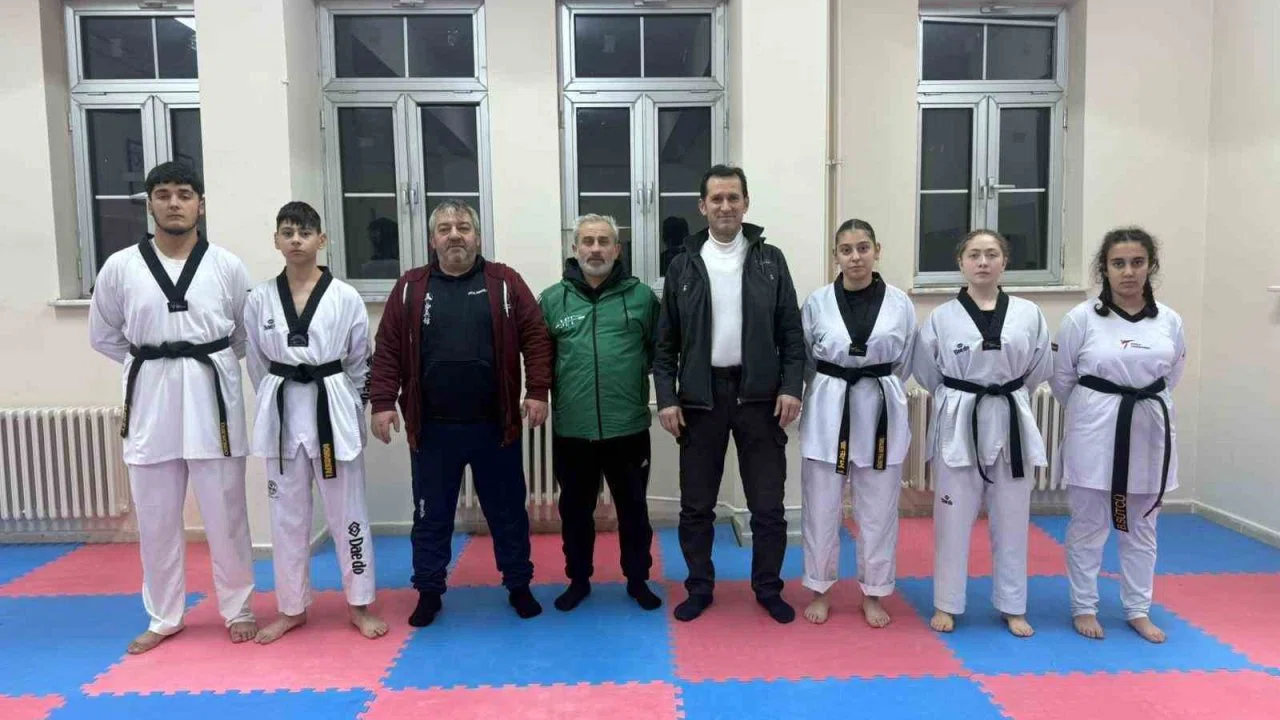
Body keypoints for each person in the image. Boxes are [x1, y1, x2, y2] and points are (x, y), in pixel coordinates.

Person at [88, 162, 256, 654]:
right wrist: (156, 361)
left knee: (226, 512)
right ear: (150, 205)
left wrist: (197, 360)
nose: (174, 203)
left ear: (201, 204)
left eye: (184, 194)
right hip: (151, 397)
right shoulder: (120, 267)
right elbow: (103, 334)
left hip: (211, 395)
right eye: (163, 194)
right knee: (156, 516)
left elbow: (244, 335)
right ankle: (164, 615)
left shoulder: (226, 265)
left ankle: (238, 608)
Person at [367, 199, 552, 627]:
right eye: (445, 228)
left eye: (464, 227)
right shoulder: (411, 287)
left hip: (496, 428)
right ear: (432, 239)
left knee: (508, 515)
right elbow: (388, 347)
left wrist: (538, 390)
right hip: (432, 430)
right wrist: (382, 402)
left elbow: (536, 337)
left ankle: (519, 585)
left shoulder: (505, 283)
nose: (455, 235)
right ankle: (429, 590)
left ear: (478, 237)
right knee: (430, 517)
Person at [654, 165, 805, 624]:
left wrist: (791, 387)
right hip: (701, 399)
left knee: (768, 505)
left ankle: (768, 588)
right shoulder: (682, 264)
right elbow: (665, 343)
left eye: (733, 198)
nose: (725, 206)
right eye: (716, 199)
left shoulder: (769, 260)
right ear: (702, 206)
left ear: (745, 203)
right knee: (696, 506)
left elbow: (791, 333)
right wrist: (667, 398)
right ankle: (699, 587)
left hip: (759, 397)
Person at [243, 201, 388, 643]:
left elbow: (360, 359)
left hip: (332, 408)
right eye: (287, 233)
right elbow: (256, 361)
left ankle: (359, 604)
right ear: (276, 240)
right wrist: (276, 396)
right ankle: (291, 608)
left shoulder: (345, 296)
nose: (296, 240)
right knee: (286, 517)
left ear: (321, 240)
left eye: (304, 233)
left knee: (349, 512)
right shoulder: (259, 298)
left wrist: (351, 404)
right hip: (283, 411)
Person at [912, 229, 1051, 638]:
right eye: (974, 254)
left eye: (992, 254)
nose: (983, 262)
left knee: (1012, 520)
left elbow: (1039, 367)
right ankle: (947, 603)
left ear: (1005, 262)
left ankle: (1013, 605)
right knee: (951, 520)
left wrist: (1007, 391)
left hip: (1010, 419)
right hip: (959, 420)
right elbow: (926, 371)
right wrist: (961, 395)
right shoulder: (941, 317)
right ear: (961, 263)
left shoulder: (1029, 313)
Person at [1050, 227, 1185, 644]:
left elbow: (1172, 375)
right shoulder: (1082, 318)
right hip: (1095, 427)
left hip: (1148, 427)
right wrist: (1097, 407)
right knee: (1089, 524)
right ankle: (1084, 605)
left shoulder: (1169, 320)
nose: (1128, 271)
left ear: (1151, 266)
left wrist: (1137, 400)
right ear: (1104, 268)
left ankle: (1138, 609)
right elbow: (1062, 378)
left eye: (1137, 262)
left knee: (1141, 526)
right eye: (1118, 263)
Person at [539, 214, 663, 612]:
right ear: (574, 248)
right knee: (575, 512)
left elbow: (658, 352)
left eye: (604, 241)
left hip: (627, 427)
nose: (595, 249)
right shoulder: (552, 300)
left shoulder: (642, 298)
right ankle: (578, 580)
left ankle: (638, 580)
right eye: (588, 241)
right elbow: (541, 360)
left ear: (617, 249)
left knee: (634, 511)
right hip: (572, 429)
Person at [798, 219, 916, 628]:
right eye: (846, 250)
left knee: (879, 510)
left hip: (880, 407)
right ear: (836, 256)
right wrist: (829, 387)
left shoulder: (900, 303)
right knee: (821, 506)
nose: (855, 257)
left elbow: (904, 362)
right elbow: (806, 358)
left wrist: (873, 385)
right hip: (829, 407)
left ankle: (874, 592)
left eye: (863, 248)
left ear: (877, 250)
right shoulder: (817, 302)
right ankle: (820, 587)